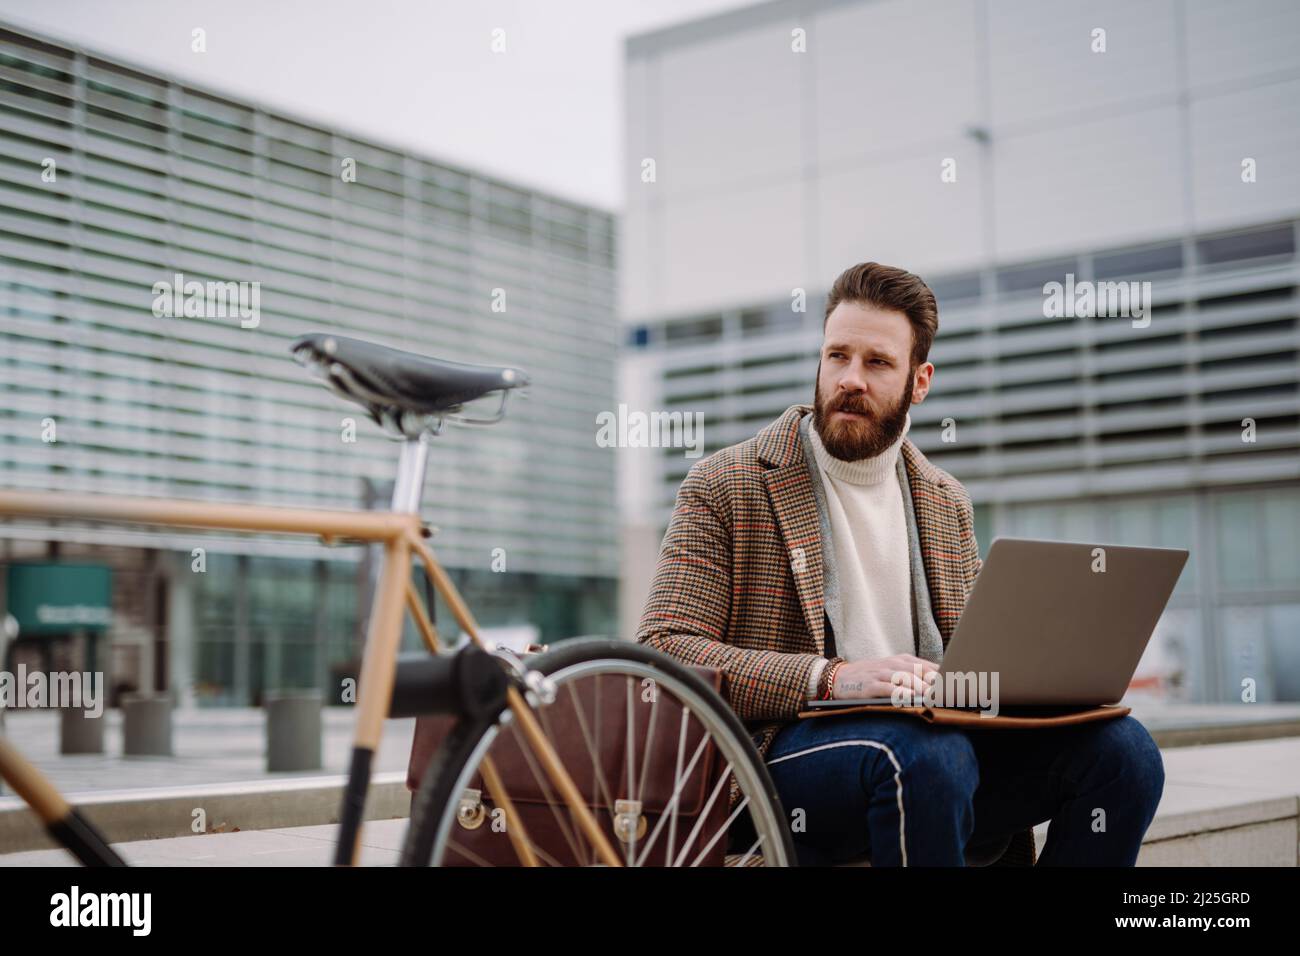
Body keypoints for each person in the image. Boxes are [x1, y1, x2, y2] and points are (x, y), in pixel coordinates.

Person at [635, 261, 1164, 866]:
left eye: (877, 362)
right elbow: (666, 649)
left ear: (920, 381)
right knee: (925, 756)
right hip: (780, 763)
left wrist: (1029, 681)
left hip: (943, 758)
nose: (850, 379)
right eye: (837, 356)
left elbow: (975, 664)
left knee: (1124, 753)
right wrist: (831, 678)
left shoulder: (944, 499)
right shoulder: (727, 482)